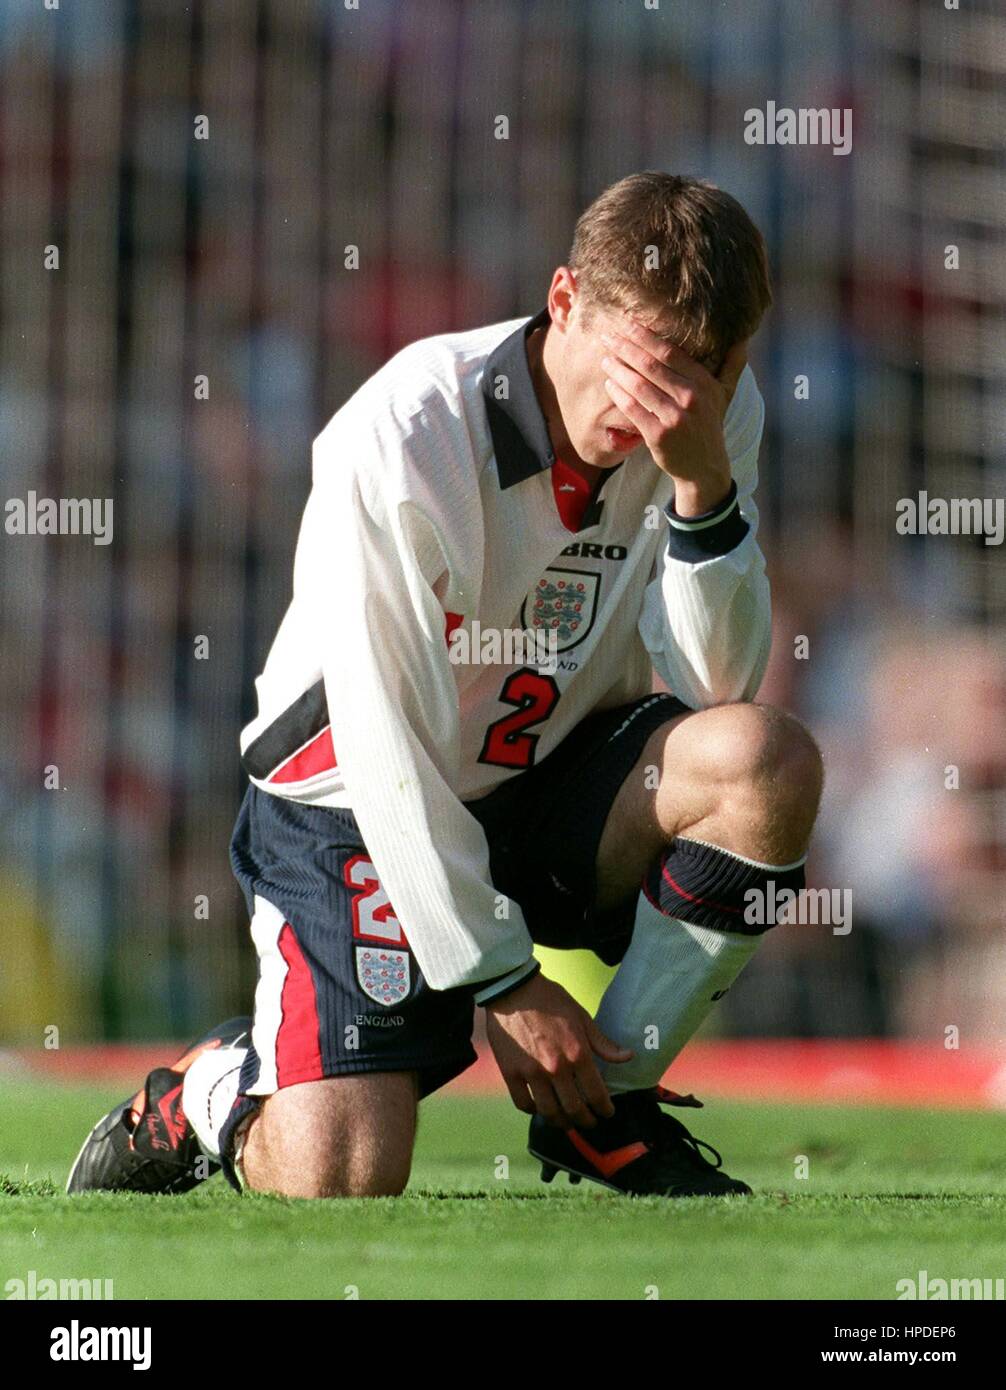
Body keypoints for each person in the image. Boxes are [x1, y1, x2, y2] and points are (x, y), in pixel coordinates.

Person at [68, 172, 823, 1201]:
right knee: (340, 1179)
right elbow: (383, 746)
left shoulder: (708, 418)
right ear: (564, 301)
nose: (667, 405)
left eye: (711, 374)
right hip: (355, 804)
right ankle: (211, 1090)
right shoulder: (405, 434)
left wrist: (703, 494)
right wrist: (503, 983)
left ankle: (607, 1110)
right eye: (645, 366)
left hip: (546, 772)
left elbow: (714, 687)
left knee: (765, 762)